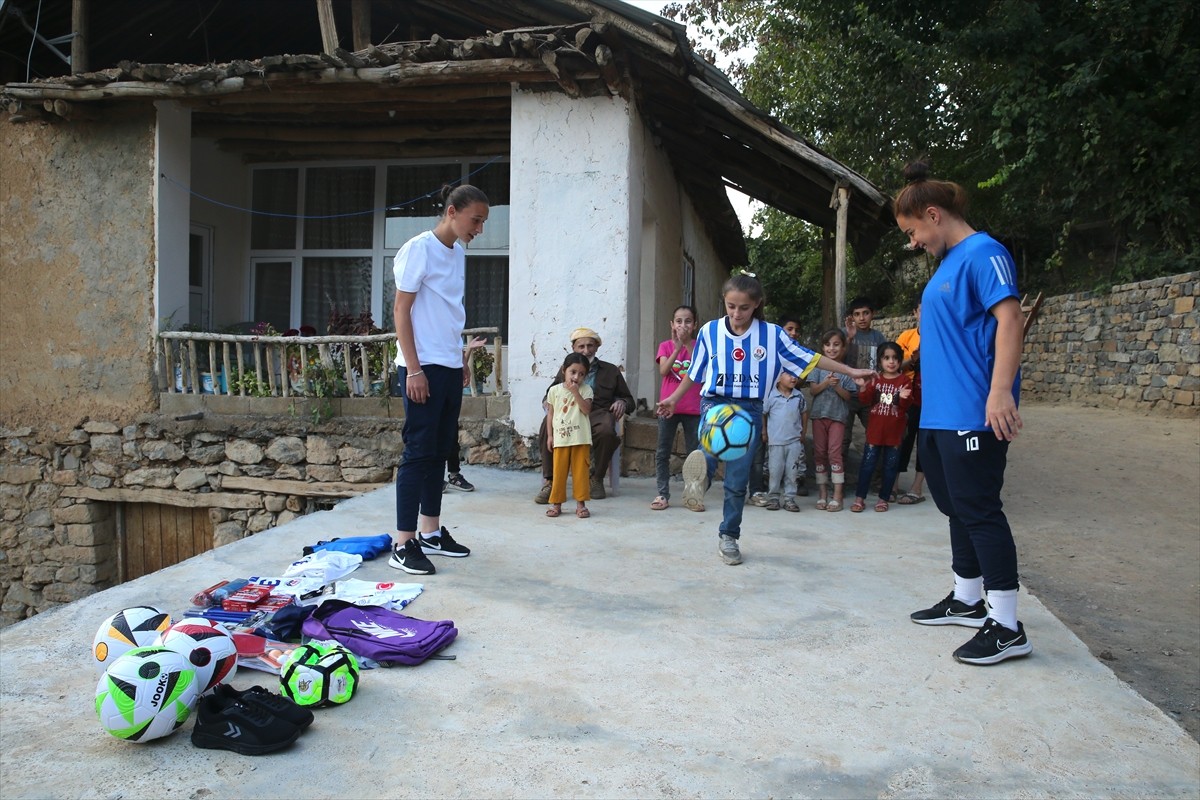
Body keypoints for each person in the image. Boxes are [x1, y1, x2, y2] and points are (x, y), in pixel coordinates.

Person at [895, 159, 1032, 665]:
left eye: (913, 232)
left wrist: (1001, 392)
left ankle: (1007, 625)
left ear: (934, 215)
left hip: (975, 413)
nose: (913, 243)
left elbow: (1010, 319)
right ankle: (968, 599)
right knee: (955, 507)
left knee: (980, 510)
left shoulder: (983, 253)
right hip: (939, 415)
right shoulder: (949, 263)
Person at [657, 273, 873, 566]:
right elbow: (695, 372)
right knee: (711, 442)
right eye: (731, 306)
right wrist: (673, 398)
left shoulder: (772, 335)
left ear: (756, 305)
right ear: (724, 302)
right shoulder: (709, 331)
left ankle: (728, 536)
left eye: (743, 308)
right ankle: (701, 477)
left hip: (751, 408)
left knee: (736, 480)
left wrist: (852, 372)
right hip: (716, 400)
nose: (736, 314)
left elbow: (810, 358)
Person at [388, 184, 489, 575]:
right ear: (451, 212)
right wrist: (413, 368)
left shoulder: (458, 253)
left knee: (441, 448)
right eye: (474, 219)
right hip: (421, 366)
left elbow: (449, 311)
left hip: (447, 363)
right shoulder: (418, 249)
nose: (478, 228)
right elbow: (401, 310)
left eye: (482, 221)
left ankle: (430, 532)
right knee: (417, 452)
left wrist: (460, 358)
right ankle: (403, 542)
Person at [534, 328, 633, 503]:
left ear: (597, 347)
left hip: (598, 413)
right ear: (573, 348)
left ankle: (596, 478)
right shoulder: (567, 368)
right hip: (569, 413)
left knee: (607, 432)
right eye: (581, 346)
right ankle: (550, 481)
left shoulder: (611, 371)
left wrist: (622, 402)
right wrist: (547, 401)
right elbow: (551, 391)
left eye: (590, 346)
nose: (586, 351)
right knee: (546, 426)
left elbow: (629, 399)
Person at [849, 342, 913, 513]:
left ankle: (884, 498)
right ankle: (859, 498)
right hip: (875, 432)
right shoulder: (875, 379)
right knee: (867, 465)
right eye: (886, 358)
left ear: (900, 361)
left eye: (895, 358)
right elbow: (865, 400)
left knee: (890, 467)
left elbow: (906, 406)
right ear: (880, 361)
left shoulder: (905, 380)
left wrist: (905, 398)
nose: (891, 362)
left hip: (894, 434)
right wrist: (863, 387)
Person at [651, 306, 702, 511]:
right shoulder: (665, 346)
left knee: (694, 454)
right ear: (672, 325)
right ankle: (662, 494)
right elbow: (664, 370)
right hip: (667, 406)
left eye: (688, 321)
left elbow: (700, 367)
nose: (683, 325)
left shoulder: (699, 346)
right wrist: (678, 346)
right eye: (679, 321)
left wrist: (688, 344)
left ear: (695, 325)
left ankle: (693, 495)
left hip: (694, 408)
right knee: (663, 451)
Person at [808, 329, 858, 512]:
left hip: (838, 417)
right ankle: (822, 494)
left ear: (844, 347)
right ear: (822, 347)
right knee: (819, 453)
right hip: (818, 416)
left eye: (836, 344)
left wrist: (836, 387)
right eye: (828, 345)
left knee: (834, 454)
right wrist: (825, 383)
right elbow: (813, 391)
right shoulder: (817, 368)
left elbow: (848, 397)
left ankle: (837, 495)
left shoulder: (846, 372)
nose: (832, 348)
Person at [544, 353, 593, 519]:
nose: (576, 377)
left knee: (580, 473)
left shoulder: (586, 390)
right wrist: (550, 436)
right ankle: (556, 504)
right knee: (559, 473)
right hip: (561, 438)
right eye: (572, 372)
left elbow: (586, 410)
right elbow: (550, 414)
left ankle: (581, 504)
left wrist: (576, 393)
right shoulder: (554, 390)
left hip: (581, 438)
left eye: (581, 374)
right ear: (564, 370)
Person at [842, 296, 886, 463]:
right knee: (843, 438)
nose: (861, 318)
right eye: (857, 314)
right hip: (847, 394)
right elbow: (836, 357)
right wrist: (849, 338)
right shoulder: (845, 333)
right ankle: (840, 481)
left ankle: (876, 479)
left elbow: (885, 362)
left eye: (865, 313)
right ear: (851, 317)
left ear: (872, 314)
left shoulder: (878, 337)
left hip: (870, 395)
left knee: (875, 436)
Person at [444, 335, 487, 493]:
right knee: (433, 436)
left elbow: (459, 367)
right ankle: (431, 477)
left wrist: (468, 349)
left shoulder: (451, 342)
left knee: (452, 434)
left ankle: (454, 475)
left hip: (449, 391)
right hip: (434, 391)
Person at [762, 371, 808, 512]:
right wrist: (764, 432)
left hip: (794, 441)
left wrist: (803, 432)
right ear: (778, 378)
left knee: (792, 472)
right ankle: (774, 498)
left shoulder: (798, 396)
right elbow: (764, 414)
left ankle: (789, 499)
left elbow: (804, 413)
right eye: (789, 374)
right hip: (776, 441)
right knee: (775, 471)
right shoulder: (771, 395)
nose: (793, 378)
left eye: (795, 375)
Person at [895, 307, 926, 503]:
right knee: (902, 441)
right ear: (915, 312)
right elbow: (893, 364)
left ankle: (917, 488)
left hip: (932, 400)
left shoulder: (943, 335)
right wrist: (912, 359)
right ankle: (893, 484)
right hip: (908, 398)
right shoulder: (906, 337)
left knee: (925, 444)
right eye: (923, 310)